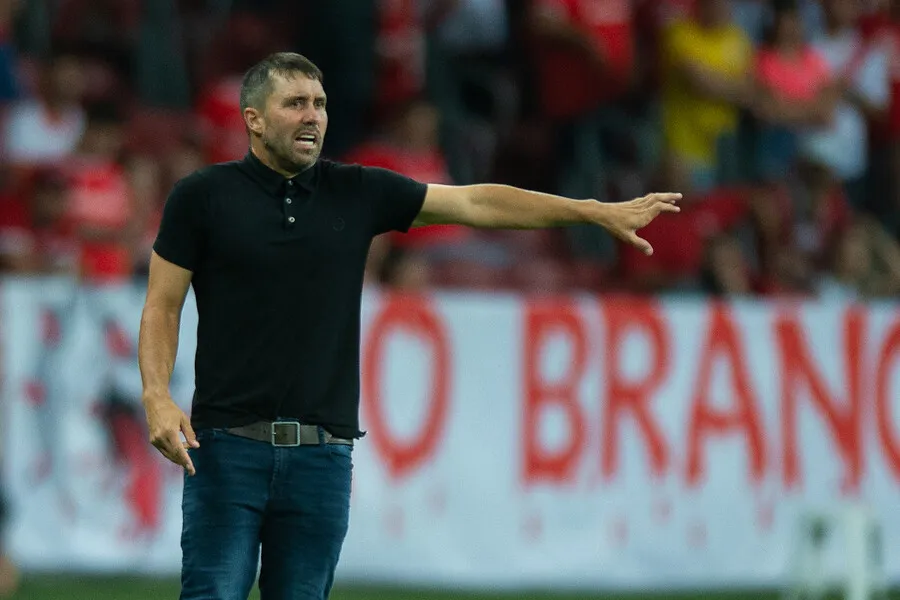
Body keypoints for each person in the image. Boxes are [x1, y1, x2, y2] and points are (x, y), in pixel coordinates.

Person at [137, 52, 681, 600]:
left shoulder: (356, 191)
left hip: (322, 458)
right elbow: (162, 305)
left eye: (320, 104)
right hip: (227, 449)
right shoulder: (201, 198)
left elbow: (475, 202)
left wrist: (591, 211)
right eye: (295, 103)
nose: (313, 116)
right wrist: (157, 396)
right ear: (253, 119)